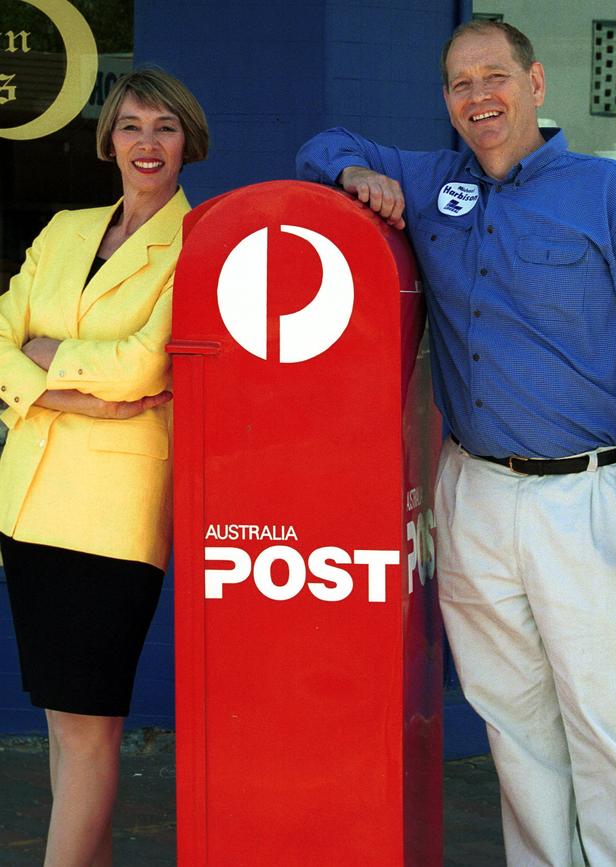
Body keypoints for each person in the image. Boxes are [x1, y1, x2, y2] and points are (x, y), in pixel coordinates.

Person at [296, 19, 616, 867]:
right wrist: (352, 173)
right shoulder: (433, 180)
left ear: (536, 84)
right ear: (446, 102)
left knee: (609, 721)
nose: (478, 96)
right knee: (513, 720)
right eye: (460, 83)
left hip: (593, 495)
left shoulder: (610, 193)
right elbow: (319, 144)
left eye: (495, 76)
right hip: (477, 492)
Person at [0, 67, 208, 866]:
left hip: (112, 520)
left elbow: (141, 368)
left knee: (88, 733)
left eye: (163, 126)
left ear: (187, 138)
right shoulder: (63, 227)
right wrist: (68, 399)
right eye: (130, 126)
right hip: (27, 505)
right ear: (107, 140)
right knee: (63, 727)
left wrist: (41, 367)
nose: (146, 143)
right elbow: (6, 339)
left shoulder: (199, 242)